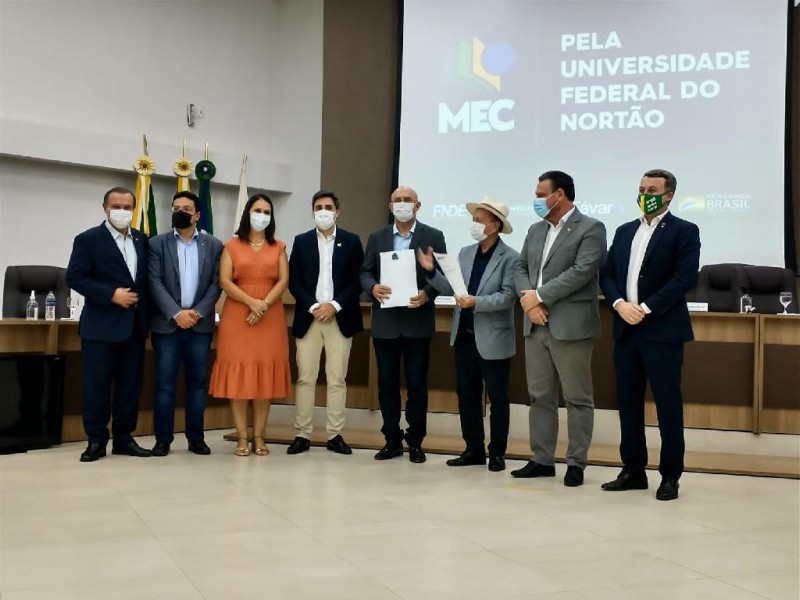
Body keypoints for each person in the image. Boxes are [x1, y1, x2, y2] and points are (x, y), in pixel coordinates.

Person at [600, 169, 700, 501]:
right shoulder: (625, 230)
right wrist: (618, 304)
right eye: (642, 189)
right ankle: (632, 470)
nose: (645, 195)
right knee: (628, 402)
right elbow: (607, 274)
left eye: (652, 190)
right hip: (625, 329)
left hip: (662, 330)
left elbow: (684, 278)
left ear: (669, 195)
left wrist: (644, 308)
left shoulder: (684, 230)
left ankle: (670, 475)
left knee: (667, 405)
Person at [511, 170, 606, 487]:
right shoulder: (535, 229)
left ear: (560, 194)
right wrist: (530, 303)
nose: (536, 199)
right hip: (535, 324)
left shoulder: (591, 228)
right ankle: (542, 459)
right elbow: (520, 267)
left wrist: (539, 296)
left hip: (570, 325)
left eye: (541, 194)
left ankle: (576, 462)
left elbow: (582, 271)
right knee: (539, 396)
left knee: (577, 398)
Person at [418, 197, 519, 472]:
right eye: (474, 219)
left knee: (498, 398)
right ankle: (473, 449)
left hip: (493, 338)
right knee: (467, 395)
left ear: (494, 226)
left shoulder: (511, 257)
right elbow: (453, 288)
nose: (474, 224)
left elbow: (508, 297)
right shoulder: (465, 253)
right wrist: (431, 271)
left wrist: (477, 302)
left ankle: (497, 453)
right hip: (463, 334)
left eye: (479, 220)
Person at [359, 185, 446, 463]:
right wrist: (372, 287)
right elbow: (365, 272)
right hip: (385, 323)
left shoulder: (433, 236)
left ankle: (416, 441)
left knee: (417, 385)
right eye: (397, 200)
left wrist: (428, 293)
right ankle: (392, 439)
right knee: (387, 384)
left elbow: (442, 275)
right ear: (390, 206)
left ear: (418, 206)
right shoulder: (377, 237)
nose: (402, 204)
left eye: (408, 200)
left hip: (417, 322)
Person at [66, 186, 151, 462]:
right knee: (97, 387)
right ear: (105, 208)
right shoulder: (88, 239)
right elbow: (75, 278)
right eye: (116, 206)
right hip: (100, 327)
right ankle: (96, 440)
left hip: (134, 327)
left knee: (130, 387)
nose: (122, 212)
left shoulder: (141, 239)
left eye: (127, 207)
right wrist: (110, 294)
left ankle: (124, 438)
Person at [208, 193, 291, 457]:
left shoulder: (278, 247)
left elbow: (283, 280)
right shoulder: (231, 246)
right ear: (247, 213)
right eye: (257, 210)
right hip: (238, 317)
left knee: (265, 377)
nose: (262, 216)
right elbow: (225, 281)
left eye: (267, 212)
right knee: (239, 377)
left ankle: (259, 437)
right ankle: (242, 438)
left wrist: (263, 304)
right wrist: (252, 303)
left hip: (270, 317)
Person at [286, 190, 364, 455]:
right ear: (312, 212)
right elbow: (294, 280)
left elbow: (357, 280)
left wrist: (334, 305)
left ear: (337, 212)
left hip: (340, 318)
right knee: (305, 378)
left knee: (337, 379)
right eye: (318, 207)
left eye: (328, 207)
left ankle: (335, 435)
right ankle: (302, 434)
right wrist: (313, 306)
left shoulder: (351, 241)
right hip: (309, 318)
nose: (323, 211)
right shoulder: (302, 241)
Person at [148, 191, 223, 456]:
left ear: (197, 215)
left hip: (199, 328)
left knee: (197, 385)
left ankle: (196, 438)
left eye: (186, 209)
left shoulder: (214, 245)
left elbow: (217, 283)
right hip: (167, 326)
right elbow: (153, 281)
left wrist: (198, 312)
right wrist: (176, 313)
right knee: (164, 385)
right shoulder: (157, 244)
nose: (180, 212)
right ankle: (163, 439)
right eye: (176, 208)